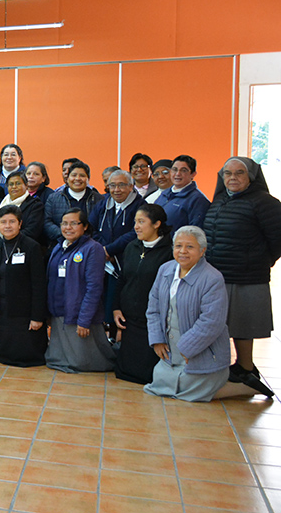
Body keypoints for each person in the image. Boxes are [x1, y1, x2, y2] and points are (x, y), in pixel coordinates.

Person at [204, 157, 281, 397]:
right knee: (225, 323)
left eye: (239, 173)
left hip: (248, 275)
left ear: (251, 177)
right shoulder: (219, 200)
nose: (233, 178)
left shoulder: (266, 203)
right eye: (228, 173)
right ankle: (231, 368)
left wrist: (258, 261)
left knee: (244, 325)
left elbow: (277, 241)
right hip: (219, 274)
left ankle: (246, 369)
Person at [144, 226, 231, 402]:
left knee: (191, 389)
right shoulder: (165, 270)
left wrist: (187, 348)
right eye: (178, 246)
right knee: (159, 385)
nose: (182, 251)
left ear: (202, 251)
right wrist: (157, 339)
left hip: (200, 354)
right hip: (170, 353)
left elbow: (212, 322)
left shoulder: (212, 278)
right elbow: (153, 307)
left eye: (190, 247)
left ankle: (242, 386)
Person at [44, 208, 116, 373]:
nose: (68, 228)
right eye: (64, 224)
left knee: (84, 362)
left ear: (84, 226)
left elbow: (94, 287)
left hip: (79, 314)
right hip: (59, 312)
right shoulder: (58, 247)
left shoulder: (93, 248)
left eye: (73, 224)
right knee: (59, 359)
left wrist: (84, 319)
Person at [112, 204, 173, 384]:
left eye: (141, 222)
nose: (136, 227)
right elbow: (122, 279)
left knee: (148, 373)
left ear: (156, 224)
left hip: (153, 321)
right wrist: (116, 308)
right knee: (126, 370)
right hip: (130, 319)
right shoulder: (132, 247)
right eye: (135, 222)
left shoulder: (169, 251)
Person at [0, 206, 48, 366]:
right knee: (4, 353)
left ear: (20, 224)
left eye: (12, 221)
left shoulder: (32, 247)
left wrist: (37, 316)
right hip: (1, 310)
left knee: (27, 352)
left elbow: (39, 285)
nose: (7, 226)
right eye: (3, 222)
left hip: (25, 311)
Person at [89, 169, 146, 326]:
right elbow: (90, 228)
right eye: (112, 185)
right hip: (102, 260)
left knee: (117, 300)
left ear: (131, 186)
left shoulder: (140, 206)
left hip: (125, 260)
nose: (116, 189)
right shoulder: (103, 204)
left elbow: (135, 233)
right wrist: (102, 250)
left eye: (121, 185)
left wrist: (110, 250)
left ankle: (116, 332)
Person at [43, 160, 102, 247]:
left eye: (82, 175)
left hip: (90, 245)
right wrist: (67, 234)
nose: (77, 178)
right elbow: (47, 222)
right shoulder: (53, 198)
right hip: (61, 245)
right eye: (74, 175)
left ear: (88, 179)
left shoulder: (99, 199)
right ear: (68, 178)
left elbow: (101, 225)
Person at [154, 154, 210, 229]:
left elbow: (195, 230)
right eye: (175, 169)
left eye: (183, 170)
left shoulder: (198, 200)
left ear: (193, 174)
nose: (178, 174)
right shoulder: (164, 194)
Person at [0, 172, 44, 244]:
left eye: (18, 183)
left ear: (26, 186)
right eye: (11, 184)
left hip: (24, 246)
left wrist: (9, 241)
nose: (14, 187)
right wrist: (0, 243)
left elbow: (32, 230)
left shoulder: (35, 205)